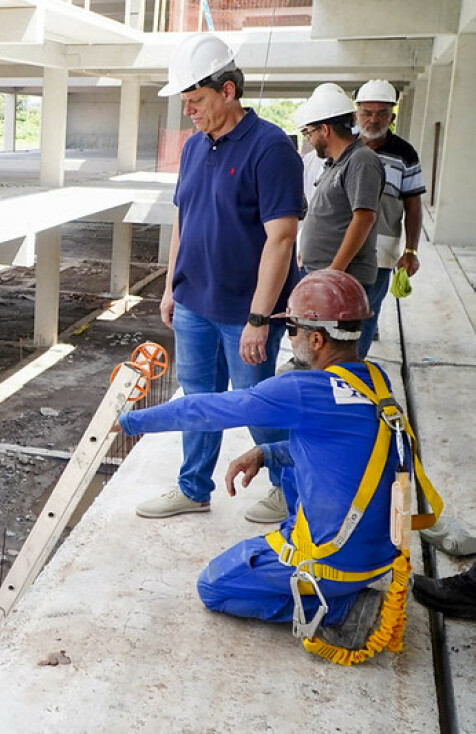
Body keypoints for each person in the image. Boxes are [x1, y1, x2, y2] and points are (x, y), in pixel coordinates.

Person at [116, 271, 442, 658]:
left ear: (317, 339)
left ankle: (342, 607)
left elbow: (205, 409)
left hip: (335, 565)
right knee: (292, 461)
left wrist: (128, 419)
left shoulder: (303, 390)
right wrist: (266, 453)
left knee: (215, 586)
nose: (288, 337)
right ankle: (317, 562)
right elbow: (337, 447)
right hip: (377, 555)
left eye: (291, 328)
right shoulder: (373, 379)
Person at [141, 33, 303, 524]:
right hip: (194, 303)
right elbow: (182, 220)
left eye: (196, 101)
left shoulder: (270, 148)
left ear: (228, 90)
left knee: (257, 404)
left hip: (243, 313)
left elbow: (282, 238)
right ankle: (193, 487)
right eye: (186, 103)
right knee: (198, 399)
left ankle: (287, 485)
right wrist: (172, 287)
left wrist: (259, 318)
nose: (189, 111)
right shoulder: (193, 148)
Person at [296, 83, 385, 333]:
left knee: (339, 351)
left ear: (324, 129)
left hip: (342, 281)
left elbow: (364, 218)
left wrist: (334, 273)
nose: (310, 140)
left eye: (309, 133)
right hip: (323, 276)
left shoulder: (361, 160)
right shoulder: (335, 164)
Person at [354, 79, 425, 358]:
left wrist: (410, 251)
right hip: (338, 242)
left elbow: (414, 204)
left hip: (380, 249)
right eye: (367, 113)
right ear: (356, 114)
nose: (373, 119)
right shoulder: (343, 144)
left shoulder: (405, 153)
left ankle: (352, 370)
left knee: (367, 312)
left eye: (382, 113)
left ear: (392, 117)